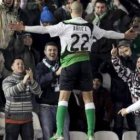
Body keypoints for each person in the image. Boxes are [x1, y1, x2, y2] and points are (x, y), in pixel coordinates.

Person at [9, 1, 137, 140]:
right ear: (82, 11)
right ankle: (90, 134)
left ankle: (58, 133)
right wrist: (124, 36)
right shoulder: (89, 25)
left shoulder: (65, 25)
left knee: (63, 98)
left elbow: (44, 29)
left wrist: (23, 27)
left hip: (69, 64)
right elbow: (107, 33)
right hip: (85, 64)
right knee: (88, 99)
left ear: (70, 10)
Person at [35, 42, 70, 140]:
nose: (52, 52)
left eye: (54, 50)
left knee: (65, 135)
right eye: (49, 50)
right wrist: (55, 74)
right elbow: (39, 83)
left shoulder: (63, 64)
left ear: (58, 52)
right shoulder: (40, 66)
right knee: (48, 136)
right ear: (45, 52)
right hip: (45, 107)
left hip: (62, 105)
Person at [2, 57, 42, 140]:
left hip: (27, 120)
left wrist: (32, 80)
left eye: (22, 64)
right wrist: (23, 82)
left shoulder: (28, 81)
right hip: (12, 119)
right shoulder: (7, 80)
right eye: (18, 64)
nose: (21, 65)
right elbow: (9, 92)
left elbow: (38, 92)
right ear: (12, 67)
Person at [111, 46, 140, 140]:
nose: (139, 64)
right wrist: (114, 56)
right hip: (138, 115)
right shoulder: (133, 77)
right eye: (138, 62)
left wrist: (127, 110)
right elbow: (121, 70)